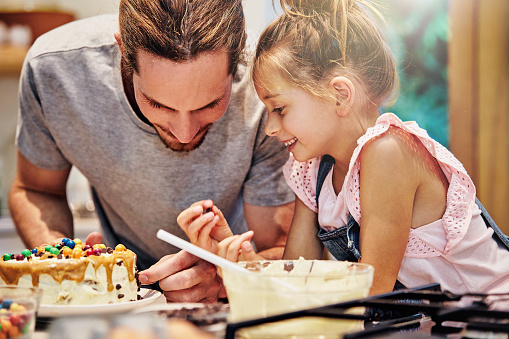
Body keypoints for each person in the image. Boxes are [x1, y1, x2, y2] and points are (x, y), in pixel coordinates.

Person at [179, 0, 509, 297]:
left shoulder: (388, 152)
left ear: (339, 94)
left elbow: (373, 285)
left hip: (492, 317)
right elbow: (299, 277)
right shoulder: (312, 171)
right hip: (440, 322)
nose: (270, 128)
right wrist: (244, 263)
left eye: (279, 109)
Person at [8, 0, 295, 303]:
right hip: (119, 305)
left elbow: (281, 250)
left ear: (239, 54)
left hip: (235, 302)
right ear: (122, 49)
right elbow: (35, 189)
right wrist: (66, 266)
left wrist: (230, 274)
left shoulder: (266, 87)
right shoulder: (54, 70)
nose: (184, 134)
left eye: (210, 105)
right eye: (158, 104)